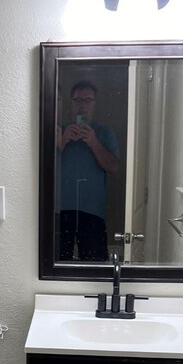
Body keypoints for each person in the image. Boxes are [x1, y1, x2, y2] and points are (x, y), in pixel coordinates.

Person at [56, 80, 120, 261]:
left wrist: (94, 143)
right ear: (71, 103)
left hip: (93, 211)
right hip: (61, 211)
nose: (82, 105)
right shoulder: (58, 131)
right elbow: (43, 170)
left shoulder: (105, 133)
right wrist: (62, 143)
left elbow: (114, 167)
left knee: (94, 266)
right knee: (58, 263)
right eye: (77, 100)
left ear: (95, 104)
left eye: (88, 100)